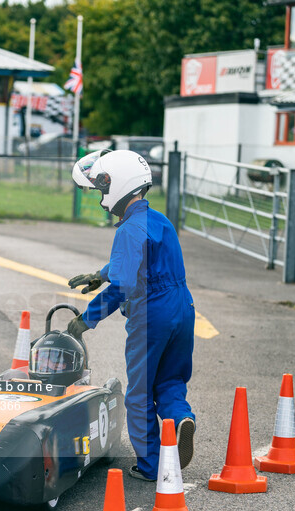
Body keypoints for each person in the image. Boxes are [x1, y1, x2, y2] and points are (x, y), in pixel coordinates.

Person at [66, 149, 196, 481]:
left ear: (117, 184)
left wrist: (86, 319)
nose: (100, 198)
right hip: (182, 307)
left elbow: (122, 288)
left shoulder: (127, 230)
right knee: (170, 380)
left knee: (138, 393)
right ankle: (180, 418)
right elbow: (142, 261)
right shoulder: (159, 220)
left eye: (101, 189)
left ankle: (151, 465)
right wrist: (102, 272)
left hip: (151, 315)